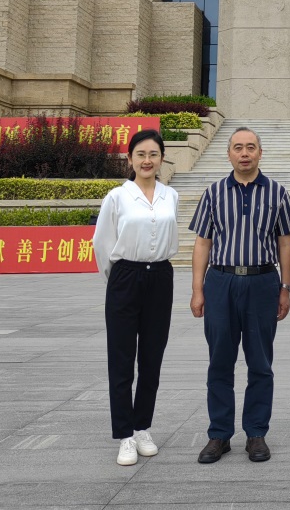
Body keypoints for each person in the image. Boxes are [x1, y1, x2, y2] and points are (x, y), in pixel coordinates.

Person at [189, 127, 290, 464]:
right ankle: (219, 434)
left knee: (260, 363)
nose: (244, 153)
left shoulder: (277, 193)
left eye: (250, 147)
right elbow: (202, 243)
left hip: (263, 283)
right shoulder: (213, 192)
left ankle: (256, 433)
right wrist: (197, 289)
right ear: (229, 154)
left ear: (260, 152)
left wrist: (286, 288)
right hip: (221, 282)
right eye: (238, 147)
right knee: (220, 361)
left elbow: (286, 244)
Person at [92, 129, 178, 466]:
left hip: (161, 277)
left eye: (153, 154)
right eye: (140, 154)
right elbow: (102, 243)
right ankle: (124, 435)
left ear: (161, 159)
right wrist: (118, 280)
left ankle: (142, 427)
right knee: (122, 358)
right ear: (130, 158)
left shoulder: (170, 196)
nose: (147, 160)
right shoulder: (117, 197)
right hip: (125, 277)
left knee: (152, 358)